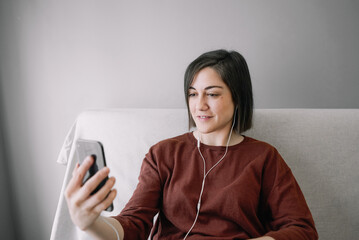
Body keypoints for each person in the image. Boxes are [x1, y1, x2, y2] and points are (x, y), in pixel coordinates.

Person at [65, 49, 318, 240]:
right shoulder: (163, 154)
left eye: (213, 93)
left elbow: (302, 230)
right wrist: (90, 223)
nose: (200, 105)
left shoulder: (263, 157)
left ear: (238, 97)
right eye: (193, 93)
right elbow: (134, 223)